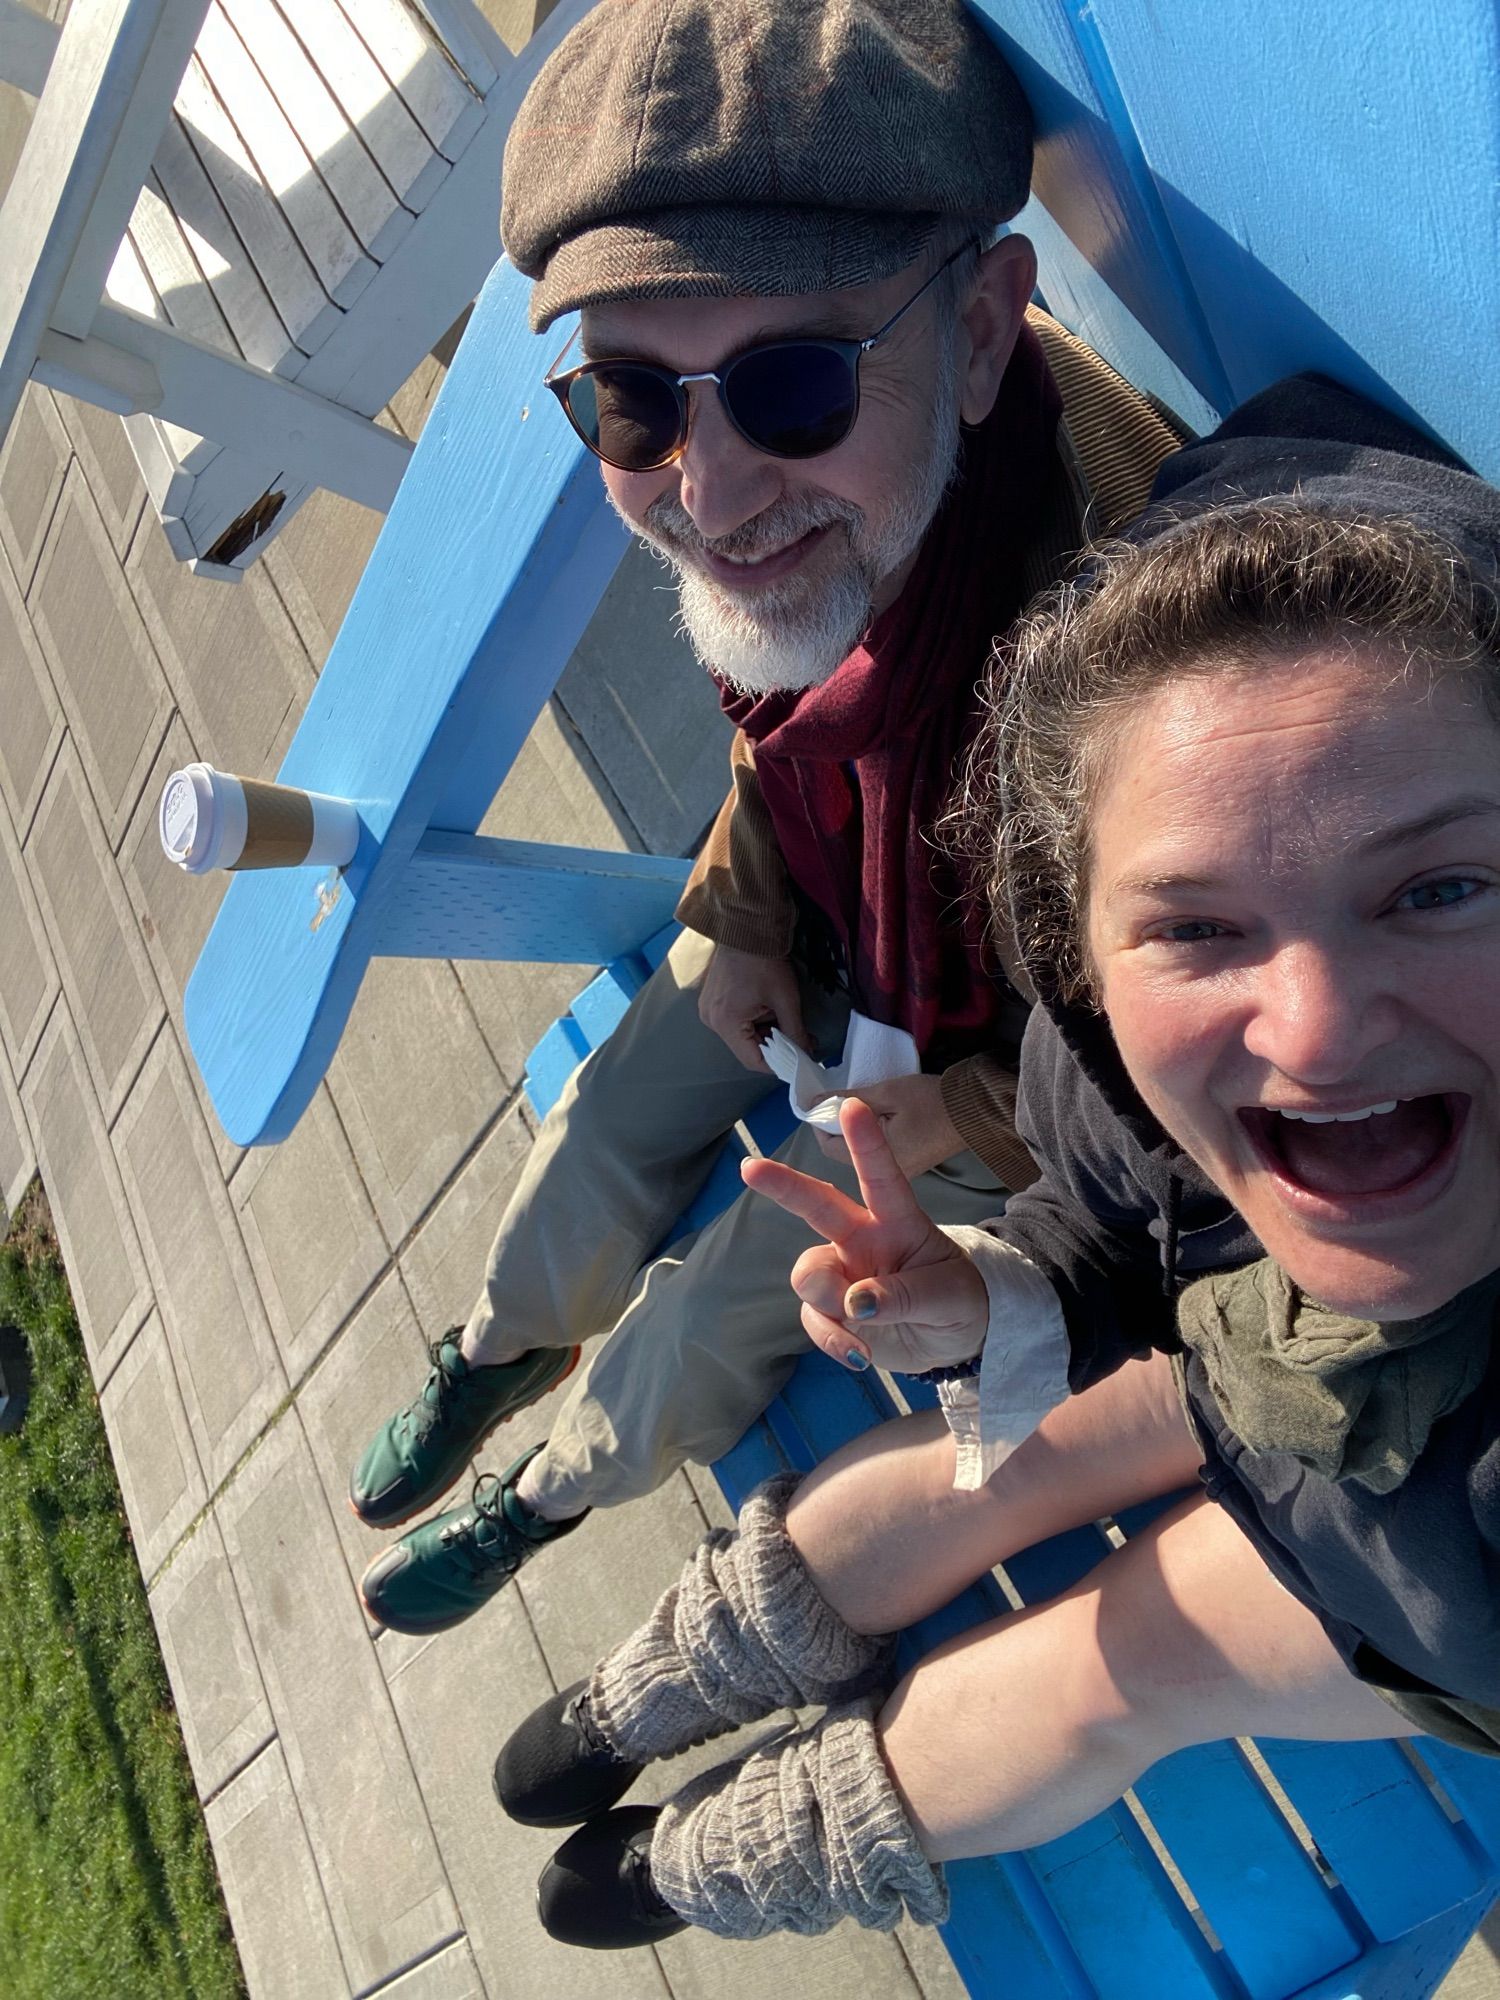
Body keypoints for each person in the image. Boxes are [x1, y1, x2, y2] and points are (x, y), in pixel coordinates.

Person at [491, 379, 1500, 1950]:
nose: (1315, 1033)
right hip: (1235, 1337)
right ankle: (722, 1645)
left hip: (1413, 1555)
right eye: (1193, 925)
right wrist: (986, 1301)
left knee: (1120, 1666)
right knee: (1011, 1443)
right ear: (1078, 945)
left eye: (1438, 888)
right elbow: (1100, 1230)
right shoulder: (1115, 1066)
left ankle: (765, 1834)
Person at [350, 0, 1183, 1634]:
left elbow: (1166, 1055)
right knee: (614, 1103)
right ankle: (504, 1339)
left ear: (988, 327)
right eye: (635, 404)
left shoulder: (1140, 662)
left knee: (746, 1287)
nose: (711, 498)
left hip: (1000, 1070)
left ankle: (559, 1481)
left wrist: (958, 1115)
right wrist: (737, 912)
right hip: (827, 913)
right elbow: (783, 744)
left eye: (793, 384)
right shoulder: (878, 501)